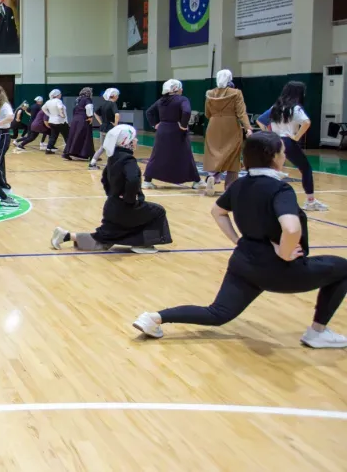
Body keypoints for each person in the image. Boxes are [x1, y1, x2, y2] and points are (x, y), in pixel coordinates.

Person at [133, 132, 347, 348]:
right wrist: (284, 252)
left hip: (244, 262)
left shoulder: (239, 184)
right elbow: (291, 229)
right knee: (343, 269)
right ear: (273, 156)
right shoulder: (280, 189)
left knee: (217, 313)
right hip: (278, 270)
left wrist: (237, 240)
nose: (285, 156)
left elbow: (217, 211)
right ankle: (317, 332)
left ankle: (154, 318)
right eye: (282, 152)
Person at [52, 125, 171, 254]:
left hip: (112, 206)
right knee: (158, 211)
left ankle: (66, 236)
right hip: (125, 208)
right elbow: (132, 180)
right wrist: (130, 199)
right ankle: (142, 244)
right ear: (127, 142)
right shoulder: (128, 159)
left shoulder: (113, 157)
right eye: (134, 138)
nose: (136, 140)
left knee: (103, 240)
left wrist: (113, 195)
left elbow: (104, 179)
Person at [256, 81, 327, 212]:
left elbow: (260, 120)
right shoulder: (295, 108)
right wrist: (297, 137)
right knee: (306, 169)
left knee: (272, 170)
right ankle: (310, 201)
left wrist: (268, 134)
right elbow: (306, 122)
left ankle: (264, 199)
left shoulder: (275, 107)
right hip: (287, 141)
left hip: (274, 141)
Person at [142, 80, 203, 190]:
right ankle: (197, 181)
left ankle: (147, 181)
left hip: (162, 130)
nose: (182, 89)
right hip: (177, 130)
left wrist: (155, 124)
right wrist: (183, 126)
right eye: (180, 87)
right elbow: (187, 112)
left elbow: (149, 112)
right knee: (186, 155)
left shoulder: (161, 100)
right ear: (176, 88)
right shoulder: (182, 99)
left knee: (157, 155)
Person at [203, 69, 252, 196]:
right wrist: (248, 128)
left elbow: (207, 113)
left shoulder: (210, 93)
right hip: (231, 125)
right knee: (233, 154)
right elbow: (241, 112)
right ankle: (230, 186)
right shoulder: (236, 93)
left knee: (214, 153)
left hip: (213, 125)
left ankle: (212, 176)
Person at [89, 88, 120, 169]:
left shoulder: (103, 104)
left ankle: (92, 163)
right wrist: (116, 125)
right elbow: (117, 114)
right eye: (117, 95)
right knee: (113, 147)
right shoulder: (113, 104)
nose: (118, 97)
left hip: (103, 128)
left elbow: (95, 113)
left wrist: (101, 122)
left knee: (102, 147)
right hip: (110, 128)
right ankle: (112, 165)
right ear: (114, 96)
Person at [62, 87, 96, 162]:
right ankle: (91, 155)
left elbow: (74, 109)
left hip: (75, 120)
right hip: (83, 120)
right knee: (87, 137)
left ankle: (67, 153)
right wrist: (90, 116)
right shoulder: (87, 99)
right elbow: (89, 107)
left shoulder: (78, 99)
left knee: (73, 136)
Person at [42, 89, 69, 155]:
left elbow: (43, 108)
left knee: (53, 136)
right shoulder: (58, 101)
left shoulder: (48, 101)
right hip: (60, 121)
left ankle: (48, 149)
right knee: (67, 136)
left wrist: (50, 115)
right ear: (57, 95)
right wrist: (62, 114)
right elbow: (60, 107)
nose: (61, 95)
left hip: (52, 121)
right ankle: (68, 151)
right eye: (60, 94)